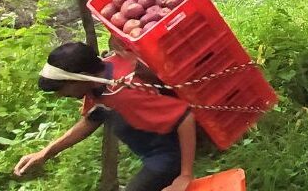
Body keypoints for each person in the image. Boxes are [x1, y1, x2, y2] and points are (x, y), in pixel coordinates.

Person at [13, 42, 196, 191]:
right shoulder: (101, 80)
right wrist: (45, 153)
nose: (60, 95)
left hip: (167, 155)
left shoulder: (123, 92)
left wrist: (185, 175)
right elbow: (92, 119)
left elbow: (184, 116)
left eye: (62, 88)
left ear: (83, 77)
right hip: (150, 151)